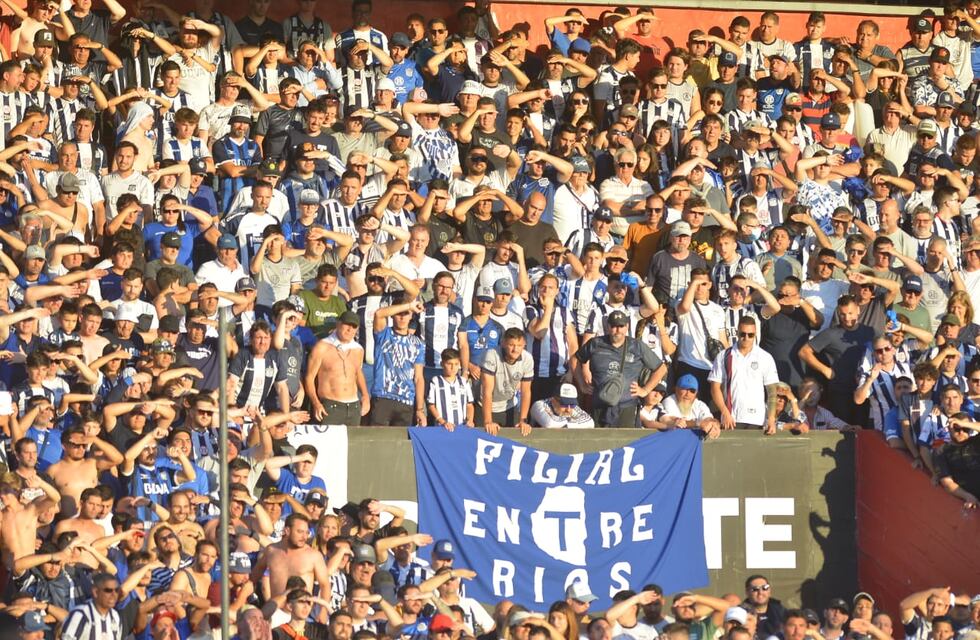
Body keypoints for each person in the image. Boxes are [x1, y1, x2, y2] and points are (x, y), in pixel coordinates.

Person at [575, 309, 665, 427]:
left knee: (626, 444)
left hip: (627, 408)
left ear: (627, 326)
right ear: (608, 326)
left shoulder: (637, 346)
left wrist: (645, 390)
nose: (617, 330)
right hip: (600, 406)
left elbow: (661, 368)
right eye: (614, 326)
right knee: (600, 444)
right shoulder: (595, 343)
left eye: (621, 326)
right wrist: (581, 383)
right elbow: (575, 359)